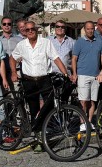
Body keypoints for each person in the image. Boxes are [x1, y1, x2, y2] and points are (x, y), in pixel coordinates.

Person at [10, 21, 69, 152]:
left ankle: (44, 130)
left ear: (36, 30)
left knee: (49, 106)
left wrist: (65, 74)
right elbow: (12, 58)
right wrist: (14, 72)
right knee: (33, 109)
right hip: (29, 81)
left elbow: (56, 59)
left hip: (44, 79)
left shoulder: (45, 42)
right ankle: (38, 138)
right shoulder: (21, 45)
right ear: (24, 32)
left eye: (32, 29)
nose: (30, 31)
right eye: (27, 30)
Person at [71, 21, 102, 126]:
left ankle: (89, 121)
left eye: (92, 28)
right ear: (84, 29)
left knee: (92, 101)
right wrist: (74, 73)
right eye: (88, 29)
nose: (90, 31)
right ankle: (83, 122)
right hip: (83, 74)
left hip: (95, 75)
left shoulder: (99, 41)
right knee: (83, 101)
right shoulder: (79, 42)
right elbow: (74, 58)